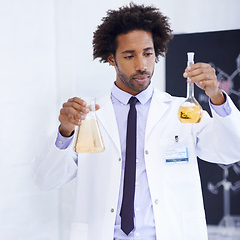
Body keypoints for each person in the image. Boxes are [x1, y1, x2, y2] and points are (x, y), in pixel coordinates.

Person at [32, 3, 240, 240]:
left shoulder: (181, 112)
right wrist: (65, 132)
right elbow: (45, 179)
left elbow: (231, 150)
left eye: (148, 53)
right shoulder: (88, 116)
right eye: (129, 56)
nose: (142, 65)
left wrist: (217, 97)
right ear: (111, 59)